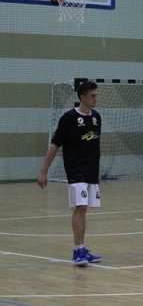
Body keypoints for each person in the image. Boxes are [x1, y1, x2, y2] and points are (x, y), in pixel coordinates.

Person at [36, 81, 103, 267]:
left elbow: (95, 146)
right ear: (82, 97)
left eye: (96, 95)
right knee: (80, 208)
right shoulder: (69, 118)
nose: (96, 98)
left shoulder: (96, 118)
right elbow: (55, 145)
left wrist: (97, 171)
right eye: (92, 96)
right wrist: (43, 172)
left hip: (90, 171)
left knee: (84, 209)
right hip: (75, 170)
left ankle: (82, 248)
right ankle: (78, 250)